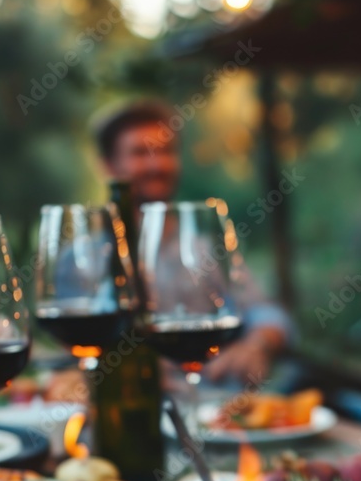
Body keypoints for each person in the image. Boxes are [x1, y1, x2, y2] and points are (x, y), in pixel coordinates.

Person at [92, 99, 292, 384]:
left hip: (212, 400)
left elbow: (266, 312)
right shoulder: (84, 259)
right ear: (108, 166)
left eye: (165, 151)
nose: (156, 164)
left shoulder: (208, 249)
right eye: (140, 152)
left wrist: (257, 344)